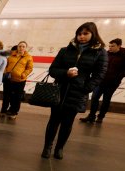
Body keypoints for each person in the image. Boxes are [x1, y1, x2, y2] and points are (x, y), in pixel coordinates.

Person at [41, 22, 107, 160]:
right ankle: (47, 147)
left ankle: (59, 148)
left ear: (93, 34)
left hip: (78, 92)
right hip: (59, 90)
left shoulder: (100, 52)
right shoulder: (65, 50)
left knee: (68, 122)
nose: (81, 36)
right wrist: (66, 73)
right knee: (53, 120)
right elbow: (53, 69)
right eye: (79, 34)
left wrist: (86, 87)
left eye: (85, 34)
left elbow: (100, 74)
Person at [80, 38, 125, 124]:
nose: (110, 48)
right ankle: (91, 116)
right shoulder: (105, 54)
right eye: (109, 46)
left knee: (106, 100)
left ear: (119, 46)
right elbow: (98, 65)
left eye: (112, 46)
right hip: (100, 81)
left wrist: (119, 76)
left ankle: (101, 117)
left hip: (112, 83)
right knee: (94, 98)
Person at [0, 41, 33, 120]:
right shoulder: (11, 55)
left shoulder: (28, 57)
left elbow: (29, 68)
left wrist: (23, 75)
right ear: (17, 47)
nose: (21, 48)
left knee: (16, 97)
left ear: (26, 48)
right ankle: (3, 111)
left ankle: (14, 112)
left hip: (20, 81)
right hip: (8, 79)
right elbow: (5, 65)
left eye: (23, 46)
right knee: (6, 96)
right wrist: (5, 72)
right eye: (20, 46)